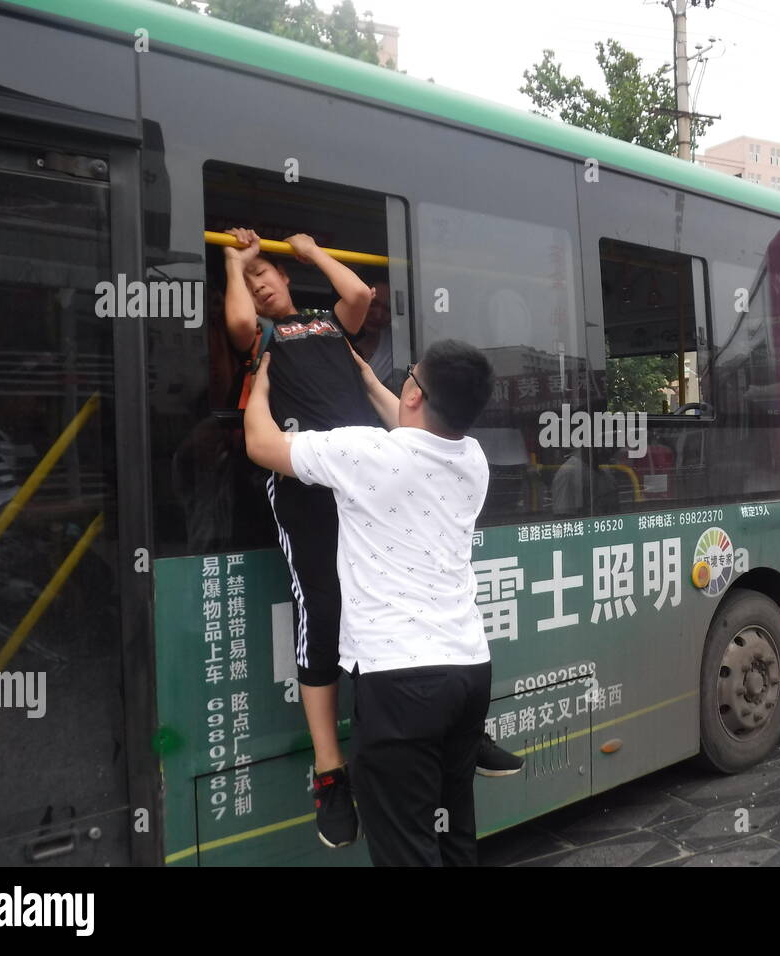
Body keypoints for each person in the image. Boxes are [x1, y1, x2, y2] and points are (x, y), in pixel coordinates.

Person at [223, 230, 522, 849]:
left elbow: (358, 292)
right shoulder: (468, 457)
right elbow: (241, 341)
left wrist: (309, 252)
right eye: (254, 284)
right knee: (325, 613)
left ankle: (451, 737)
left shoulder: (325, 325)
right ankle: (332, 773)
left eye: (267, 275)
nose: (261, 285)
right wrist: (236, 264)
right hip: (309, 482)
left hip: (363, 473)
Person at [243, 340, 496, 866]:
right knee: (453, 836)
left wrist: (261, 381)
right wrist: (367, 378)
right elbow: (410, 420)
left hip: (402, 684)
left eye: (409, 377)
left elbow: (262, 445)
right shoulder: (472, 458)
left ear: (413, 392)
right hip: (469, 672)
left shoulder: (366, 453)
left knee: (407, 850)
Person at [351, 280, 394, 385]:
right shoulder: (331, 335)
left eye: (388, 309)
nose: (378, 315)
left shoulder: (395, 346)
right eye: (373, 304)